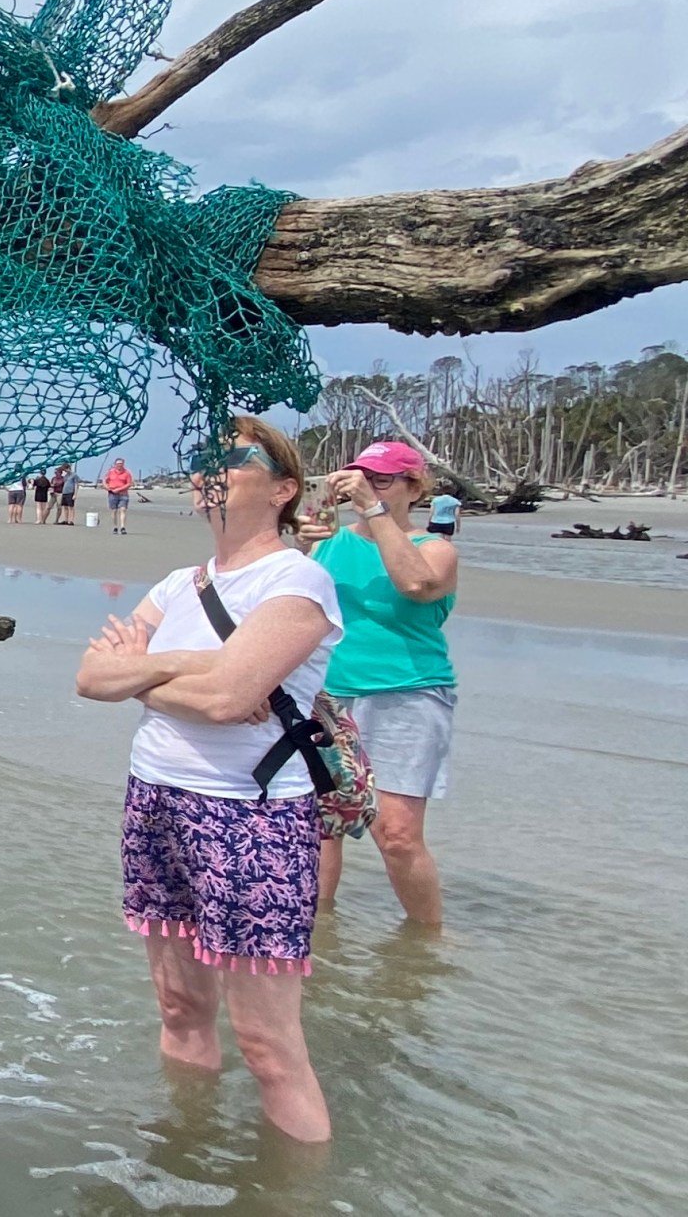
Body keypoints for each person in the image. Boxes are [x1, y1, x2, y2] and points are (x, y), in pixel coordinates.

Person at [74, 416, 341, 1144]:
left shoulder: (298, 581)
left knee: (268, 1045)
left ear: (283, 489)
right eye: (202, 457)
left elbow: (228, 701)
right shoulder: (179, 585)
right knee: (180, 1009)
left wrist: (145, 670)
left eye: (233, 458)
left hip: (251, 816)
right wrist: (184, 665)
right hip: (155, 797)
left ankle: (294, 1191)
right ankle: (183, 1155)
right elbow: (91, 677)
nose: (209, 469)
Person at [300, 441, 460, 928]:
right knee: (320, 825)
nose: (367, 486)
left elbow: (417, 585)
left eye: (383, 480)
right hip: (326, 695)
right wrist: (302, 545)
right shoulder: (330, 541)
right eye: (362, 477)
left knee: (397, 834)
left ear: (415, 488)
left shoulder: (436, 549)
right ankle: (318, 938)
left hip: (406, 694)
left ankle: (427, 943)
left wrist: (373, 509)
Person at [105, 457, 136, 533]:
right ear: (115, 464)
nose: (119, 465)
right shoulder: (111, 472)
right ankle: (115, 527)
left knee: (123, 509)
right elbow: (105, 480)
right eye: (118, 464)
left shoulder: (127, 473)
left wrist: (119, 489)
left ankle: (122, 527)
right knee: (114, 510)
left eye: (121, 464)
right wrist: (107, 487)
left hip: (123, 494)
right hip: (112, 493)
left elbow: (129, 483)